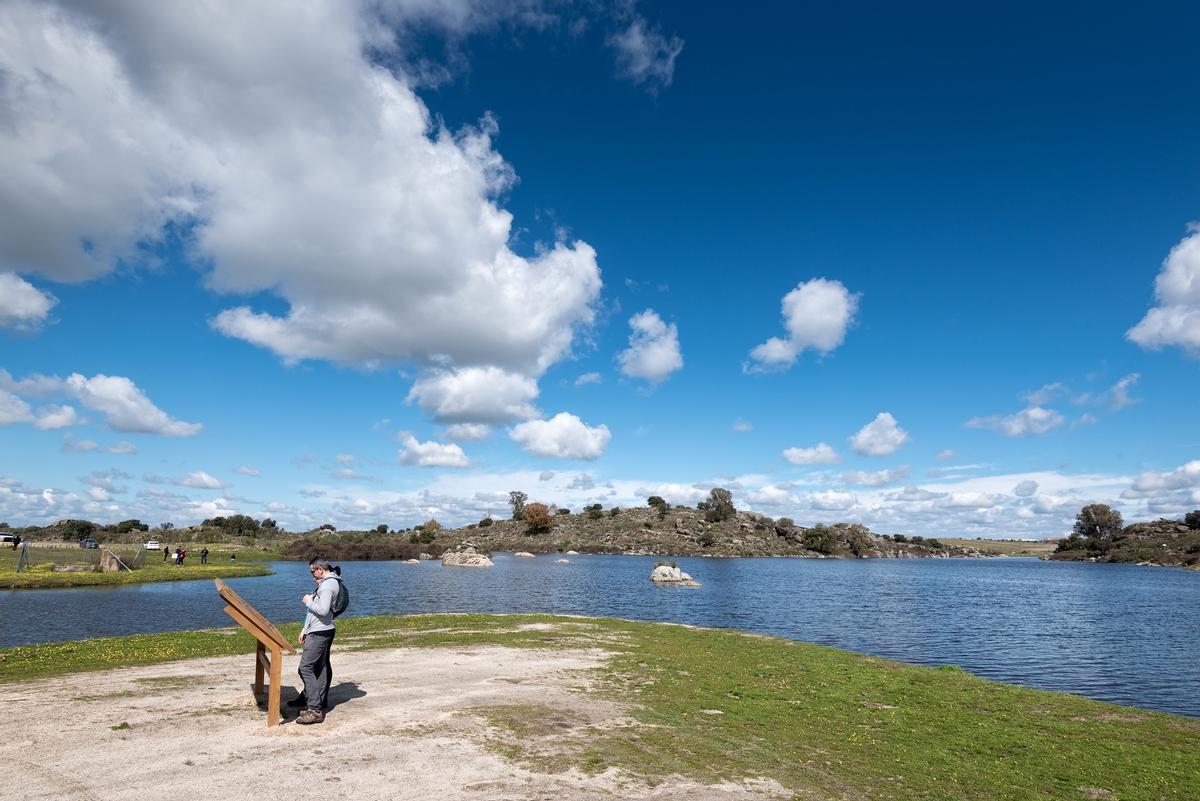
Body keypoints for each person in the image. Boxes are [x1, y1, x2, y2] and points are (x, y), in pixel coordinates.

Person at [293, 559, 341, 724]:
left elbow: (323, 610)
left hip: (319, 632)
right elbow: (316, 613)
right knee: (320, 669)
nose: (312, 575)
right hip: (320, 630)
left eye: (312, 571)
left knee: (305, 668)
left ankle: (314, 710)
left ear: (320, 569)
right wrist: (305, 629)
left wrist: (308, 601)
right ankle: (317, 703)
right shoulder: (328, 583)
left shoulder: (327, 585)